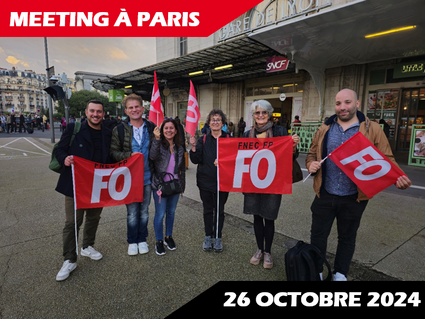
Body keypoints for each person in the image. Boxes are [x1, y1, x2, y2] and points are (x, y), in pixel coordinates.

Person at [306, 88, 412, 281]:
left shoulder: (373, 129)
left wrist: (399, 177)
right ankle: (317, 271)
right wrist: (310, 164)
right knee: (318, 236)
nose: (342, 107)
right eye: (338, 103)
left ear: (357, 103)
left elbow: (386, 159)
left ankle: (340, 273)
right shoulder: (325, 128)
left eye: (347, 102)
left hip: (354, 196)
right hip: (325, 193)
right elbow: (312, 155)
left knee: (347, 237)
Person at [54, 100, 112, 281]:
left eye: (99, 112)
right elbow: (60, 149)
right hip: (75, 184)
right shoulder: (73, 128)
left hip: (97, 184)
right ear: (86, 112)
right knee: (72, 222)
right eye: (92, 111)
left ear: (104, 113)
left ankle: (87, 246)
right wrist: (64, 159)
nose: (96, 114)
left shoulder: (108, 133)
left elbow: (111, 157)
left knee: (94, 217)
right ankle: (70, 259)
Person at [243, 100, 299, 269]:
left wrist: (293, 147)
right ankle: (259, 249)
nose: (260, 116)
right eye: (257, 113)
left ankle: (268, 252)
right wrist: (222, 162)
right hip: (253, 182)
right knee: (257, 217)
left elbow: (290, 158)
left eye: (264, 113)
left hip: (273, 181)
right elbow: (239, 157)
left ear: (269, 115)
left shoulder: (280, 131)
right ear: (253, 116)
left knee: (269, 217)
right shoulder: (247, 134)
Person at [110, 93, 155, 256]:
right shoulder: (119, 129)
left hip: (147, 178)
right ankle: (132, 241)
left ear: (143, 108)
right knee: (132, 212)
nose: (134, 110)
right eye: (131, 107)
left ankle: (142, 239)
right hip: (129, 178)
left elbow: (158, 149)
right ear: (126, 111)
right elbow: (113, 152)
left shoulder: (151, 127)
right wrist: (129, 155)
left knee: (144, 211)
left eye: (137, 106)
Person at [190, 109, 229, 252]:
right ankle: (208, 236)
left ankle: (218, 237)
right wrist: (193, 147)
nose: (215, 122)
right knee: (207, 210)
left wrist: (223, 162)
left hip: (223, 182)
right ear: (209, 123)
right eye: (213, 120)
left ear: (223, 123)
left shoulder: (229, 139)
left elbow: (236, 160)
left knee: (219, 210)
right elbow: (196, 160)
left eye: (218, 120)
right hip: (205, 181)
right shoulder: (203, 139)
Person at [150, 119, 186, 255]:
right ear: (162, 130)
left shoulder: (180, 148)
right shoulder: (159, 144)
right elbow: (152, 156)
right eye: (166, 128)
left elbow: (182, 169)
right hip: (160, 186)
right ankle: (159, 241)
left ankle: (168, 237)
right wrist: (157, 139)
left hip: (175, 186)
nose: (169, 130)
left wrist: (182, 186)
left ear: (176, 131)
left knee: (171, 213)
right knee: (160, 215)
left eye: (171, 128)